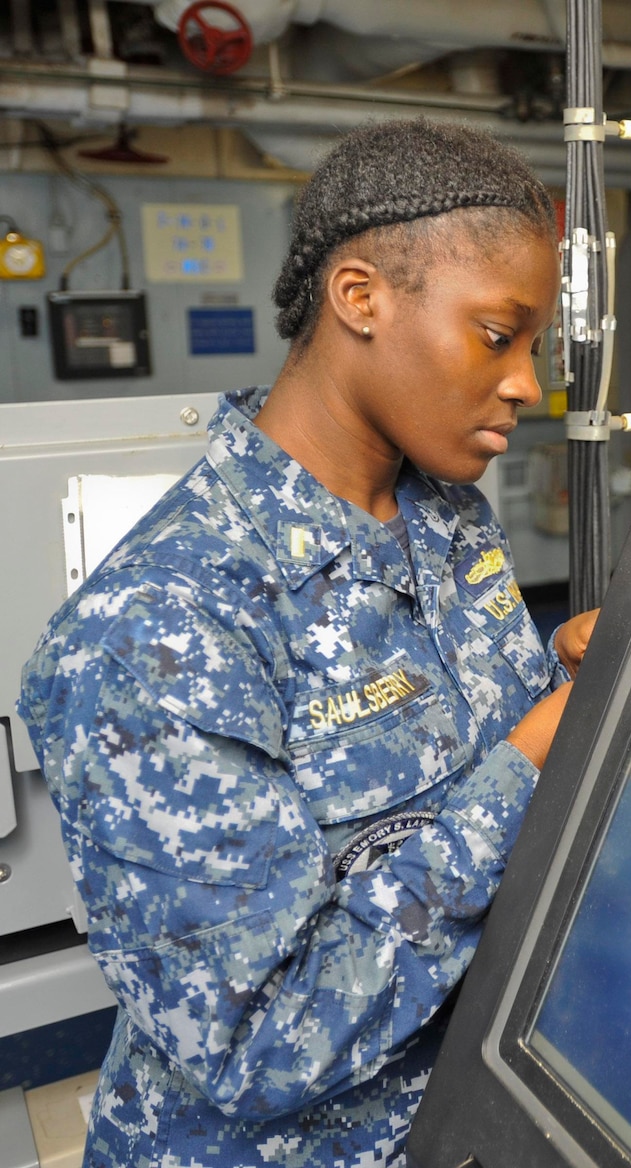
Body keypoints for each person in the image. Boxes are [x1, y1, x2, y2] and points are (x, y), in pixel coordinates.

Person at [18, 118, 595, 1168]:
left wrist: (564, 678)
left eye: (535, 348)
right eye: (497, 334)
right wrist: (532, 761)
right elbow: (254, 1041)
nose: (525, 382)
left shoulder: (439, 515)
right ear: (360, 297)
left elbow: (444, 752)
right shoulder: (158, 625)